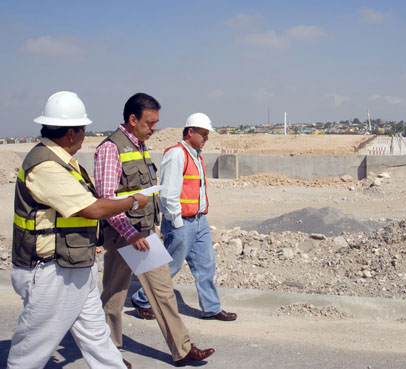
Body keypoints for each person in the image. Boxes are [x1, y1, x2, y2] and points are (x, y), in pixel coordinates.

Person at [7, 91, 145, 369]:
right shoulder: (45, 165)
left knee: (95, 335)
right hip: (51, 271)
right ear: (71, 133)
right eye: (83, 130)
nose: (84, 137)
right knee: (33, 347)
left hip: (74, 265)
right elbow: (91, 208)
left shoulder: (61, 161)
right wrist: (132, 200)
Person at [95, 93, 214, 366]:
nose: (154, 129)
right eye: (150, 123)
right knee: (113, 297)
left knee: (162, 292)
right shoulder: (111, 149)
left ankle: (182, 349)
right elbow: (107, 199)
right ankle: (108, 353)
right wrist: (130, 233)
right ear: (132, 119)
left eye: (156, 123)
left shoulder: (139, 146)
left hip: (144, 234)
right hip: (123, 236)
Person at [131, 113, 237, 321]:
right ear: (191, 132)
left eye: (207, 134)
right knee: (170, 266)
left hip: (199, 221)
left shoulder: (196, 155)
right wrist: (177, 223)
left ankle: (211, 308)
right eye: (204, 134)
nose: (206, 139)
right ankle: (142, 299)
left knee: (206, 266)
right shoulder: (177, 154)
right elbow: (168, 193)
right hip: (182, 223)